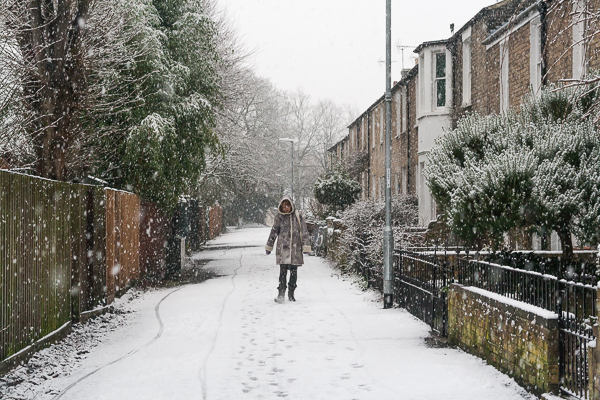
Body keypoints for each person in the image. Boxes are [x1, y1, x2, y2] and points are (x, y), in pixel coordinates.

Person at [265, 195, 311, 303]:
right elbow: (273, 232)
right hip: (283, 249)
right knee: (283, 272)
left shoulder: (298, 216)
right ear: (281, 206)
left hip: (295, 249)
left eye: (288, 206)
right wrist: (269, 246)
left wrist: (306, 246)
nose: (286, 208)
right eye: (284, 206)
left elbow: (304, 231)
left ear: (291, 205)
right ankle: (281, 294)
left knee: (294, 272)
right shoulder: (279, 217)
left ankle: (291, 294)